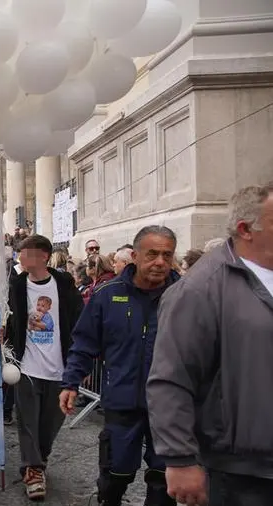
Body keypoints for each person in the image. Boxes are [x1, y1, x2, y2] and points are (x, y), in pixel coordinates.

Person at [147, 182, 273, 506]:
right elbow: (171, 378)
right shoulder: (200, 288)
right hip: (240, 472)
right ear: (246, 229)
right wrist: (179, 458)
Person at [60, 226, 180, 506]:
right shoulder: (107, 295)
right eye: (152, 254)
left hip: (171, 408)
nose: (160, 261)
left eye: (167, 254)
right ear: (135, 256)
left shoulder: (187, 295)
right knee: (116, 475)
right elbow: (85, 342)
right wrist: (71, 382)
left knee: (164, 481)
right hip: (121, 402)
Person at [6, 235, 83, 501]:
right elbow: (11, 318)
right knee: (27, 421)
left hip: (60, 366)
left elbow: (78, 321)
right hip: (26, 365)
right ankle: (33, 469)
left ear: (43, 256)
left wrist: (79, 359)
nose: (20, 258)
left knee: (51, 422)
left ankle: (40, 459)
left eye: (24, 253)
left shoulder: (64, 284)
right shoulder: (16, 284)